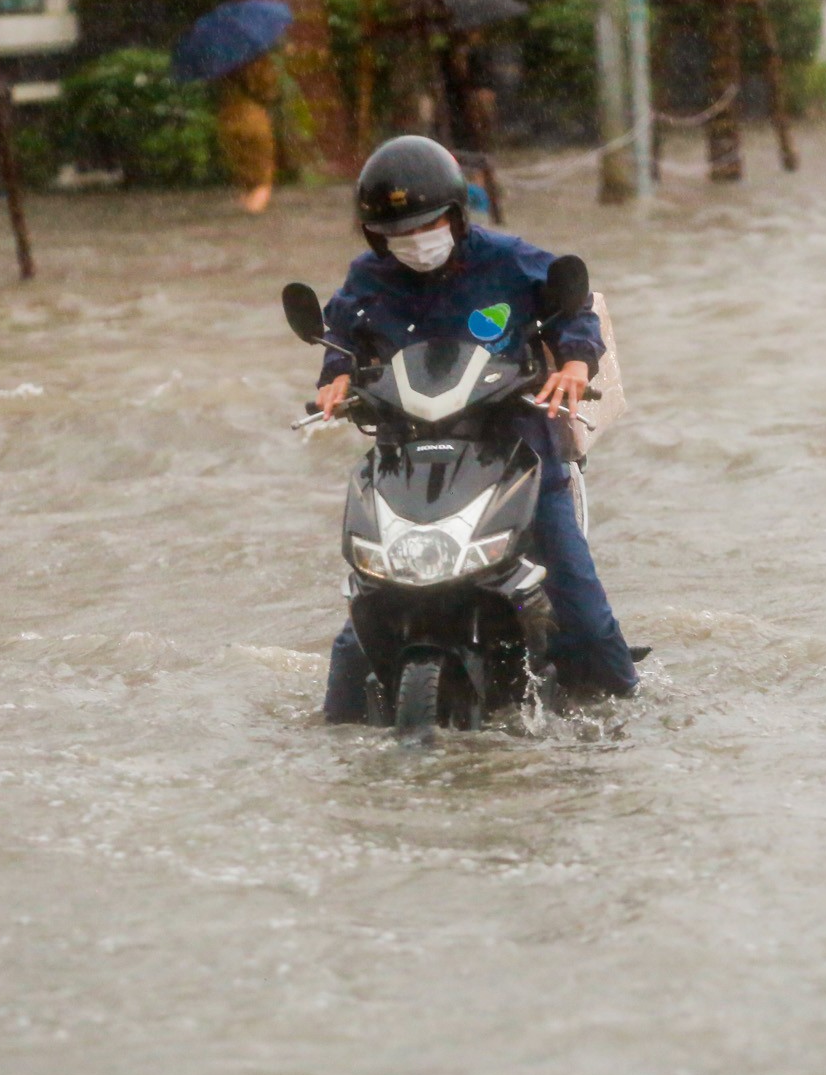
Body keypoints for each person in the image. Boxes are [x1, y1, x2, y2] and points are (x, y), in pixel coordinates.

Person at [315, 135, 641, 722]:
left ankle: (630, 717)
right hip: (410, 460)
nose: (416, 242)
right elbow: (341, 334)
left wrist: (574, 362)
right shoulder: (368, 278)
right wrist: (335, 377)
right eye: (398, 233)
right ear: (374, 235)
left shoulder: (508, 259)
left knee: (582, 610)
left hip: (519, 454)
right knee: (359, 624)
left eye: (429, 223)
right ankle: (332, 743)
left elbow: (574, 309)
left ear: (458, 214)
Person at [217, 53, 280, 214]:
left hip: (228, 116)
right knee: (261, 170)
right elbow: (267, 88)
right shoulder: (257, 59)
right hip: (253, 116)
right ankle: (255, 201)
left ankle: (249, 196)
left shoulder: (220, 60)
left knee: (243, 163)